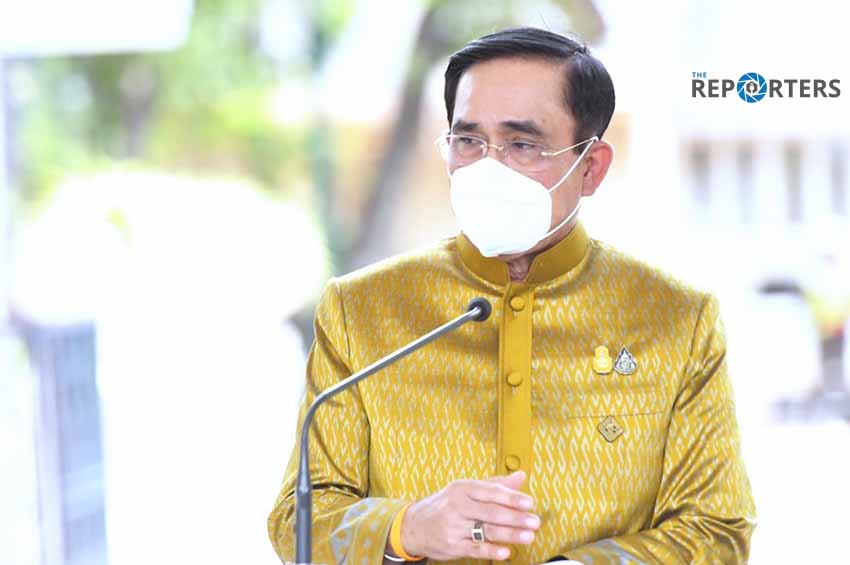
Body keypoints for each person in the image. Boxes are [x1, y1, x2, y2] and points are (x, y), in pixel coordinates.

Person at [268, 27, 756, 564]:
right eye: (468, 141)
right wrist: (407, 529)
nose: (488, 169)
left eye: (522, 145)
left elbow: (716, 528)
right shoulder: (362, 309)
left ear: (591, 167)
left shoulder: (675, 318)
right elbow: (298, 522)